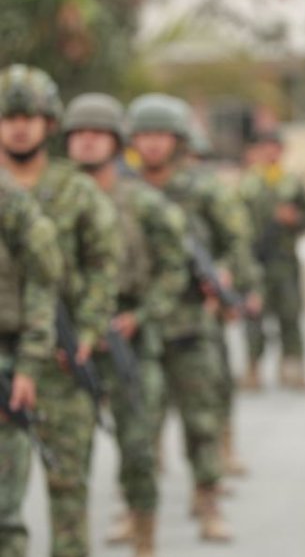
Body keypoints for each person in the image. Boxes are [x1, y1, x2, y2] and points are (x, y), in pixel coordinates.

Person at [127, 93, 261, 541]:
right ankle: (135, 512)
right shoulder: (121, 189)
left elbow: (237, 246)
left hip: (190, 322)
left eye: (159, 135)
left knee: (201, 423)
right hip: (136, 324)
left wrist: (225, 275)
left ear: (177, 139)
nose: (151, 144)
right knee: (138, 425)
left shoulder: (203, 189)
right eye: (143, 135)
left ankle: (207, 504)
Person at [62, 93, 191, 556]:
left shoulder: (143, 202)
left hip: (129, 337)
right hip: (67, 337)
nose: (87, 143)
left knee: (138, 446)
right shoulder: (51, 200)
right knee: (67, 454)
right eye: (78, 135)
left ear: (116, 142)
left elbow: (177, 268)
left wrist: (142, 315)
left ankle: (143, 536)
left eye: (97, 135)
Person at [0, 64, 120, 557]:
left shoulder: (77, 190)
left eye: (30, 115)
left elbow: (102, 267)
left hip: (61, 357)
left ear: (49, 123)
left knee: (68, 495)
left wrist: (88, 333)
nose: (19, 125)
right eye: (9, 116)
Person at [0, 148, 62, 557]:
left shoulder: (11, 202)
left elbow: (43, 285)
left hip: (6, 360)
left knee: (4, 515)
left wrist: (28, 364)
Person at [238, 129, 305, 390]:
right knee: (253, 317)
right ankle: (253, 369)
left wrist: (294, 219)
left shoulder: (293, 184)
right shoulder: (247, 185)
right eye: (266, 146)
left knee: (290, 315)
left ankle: (294, 368)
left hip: (284, 262)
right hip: (254, 261)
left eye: (275, 146)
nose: (270, 151)